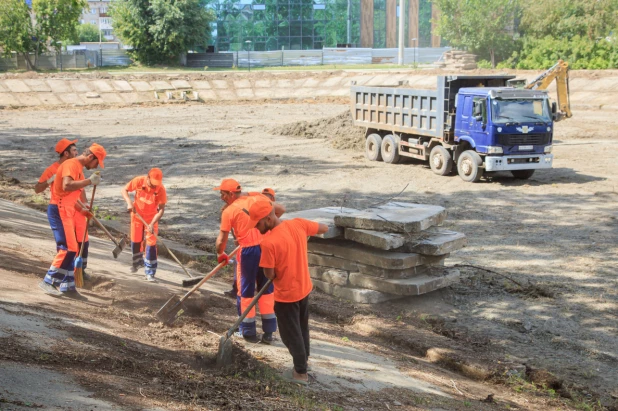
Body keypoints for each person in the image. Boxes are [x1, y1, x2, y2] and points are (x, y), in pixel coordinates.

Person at [248, 199, 328, 385]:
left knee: (290, 334)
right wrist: (304, 235)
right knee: (301, 328)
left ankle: (300, 373)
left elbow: (270, 273)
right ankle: (303, 363)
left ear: (268, 219)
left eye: (258, 224)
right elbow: (323, 228)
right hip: (303, 288)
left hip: (286, 294)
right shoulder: (298, 224)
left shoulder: (268, 242)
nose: (256, 228)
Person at [214, 179, 284, 343]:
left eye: (222, 194)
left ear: (231, 193)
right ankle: (269, 333)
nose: (221, 197)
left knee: (245, 292)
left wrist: (221, 254)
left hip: (248, 252)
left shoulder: (229, 211)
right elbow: (281, 209)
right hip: (267, 247)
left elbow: (221, 240)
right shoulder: (258, 199)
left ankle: (248, 332)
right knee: (266, 290)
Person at [39, 143, 106, 296]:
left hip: (67, 210)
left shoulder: (78, 169)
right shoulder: (71, 164)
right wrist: (89, 181)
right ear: (90, 157)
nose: (97, 166)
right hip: (59, 210)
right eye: (97, 162)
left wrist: (82, 209)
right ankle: (49, 281)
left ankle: (67, 286)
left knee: (73, 249)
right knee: (67, 248)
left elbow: (71, 196)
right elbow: (67, 185)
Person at [35, 138, 80, 272]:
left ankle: (71, 274)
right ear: (66, 153)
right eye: (74, 150)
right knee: (65, 246)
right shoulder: (52, 169)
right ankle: (59, 276)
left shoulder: (73, 166)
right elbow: (37, 189)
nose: (77, 153)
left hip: (70, 208)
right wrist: (50, 180)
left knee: (72, 245)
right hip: (57, 208)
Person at [222, 187, 277, 299]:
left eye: (268, 196)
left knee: (251, 283)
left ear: (272, 198)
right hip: (251, 244)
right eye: (264, 194)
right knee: (246, 274)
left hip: (254, 246)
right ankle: (236, 288)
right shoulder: (252, 203)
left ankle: (248, 302)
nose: (266, 197)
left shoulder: (264, 206)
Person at [121, 168, 167, 282]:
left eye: (156, 184)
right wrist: (129, 203)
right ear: (148, 178)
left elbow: (161, 210)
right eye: (153, 184)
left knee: (151, 243)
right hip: (137, 215)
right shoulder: (138, 181)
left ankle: (150, 272)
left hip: (152, 218)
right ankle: (137, 263)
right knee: (136, 240)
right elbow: (124, 190)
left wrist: (151, 223)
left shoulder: (160, 189)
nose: (154, 187)